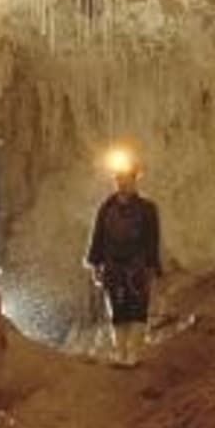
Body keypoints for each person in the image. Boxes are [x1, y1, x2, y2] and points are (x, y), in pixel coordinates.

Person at [85, 150, 161, 367]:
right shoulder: (106, 208)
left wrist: (152, 267)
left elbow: (152, 240)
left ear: (134, 179)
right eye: (119, 179)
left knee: (138, 307)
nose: (122, 183)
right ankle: (120, 351)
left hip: (137, 265)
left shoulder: (147, 209)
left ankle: (134, 353)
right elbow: (98, 236)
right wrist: (95, 264)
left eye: (126, 178)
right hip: (113, 265)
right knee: (117, 309)